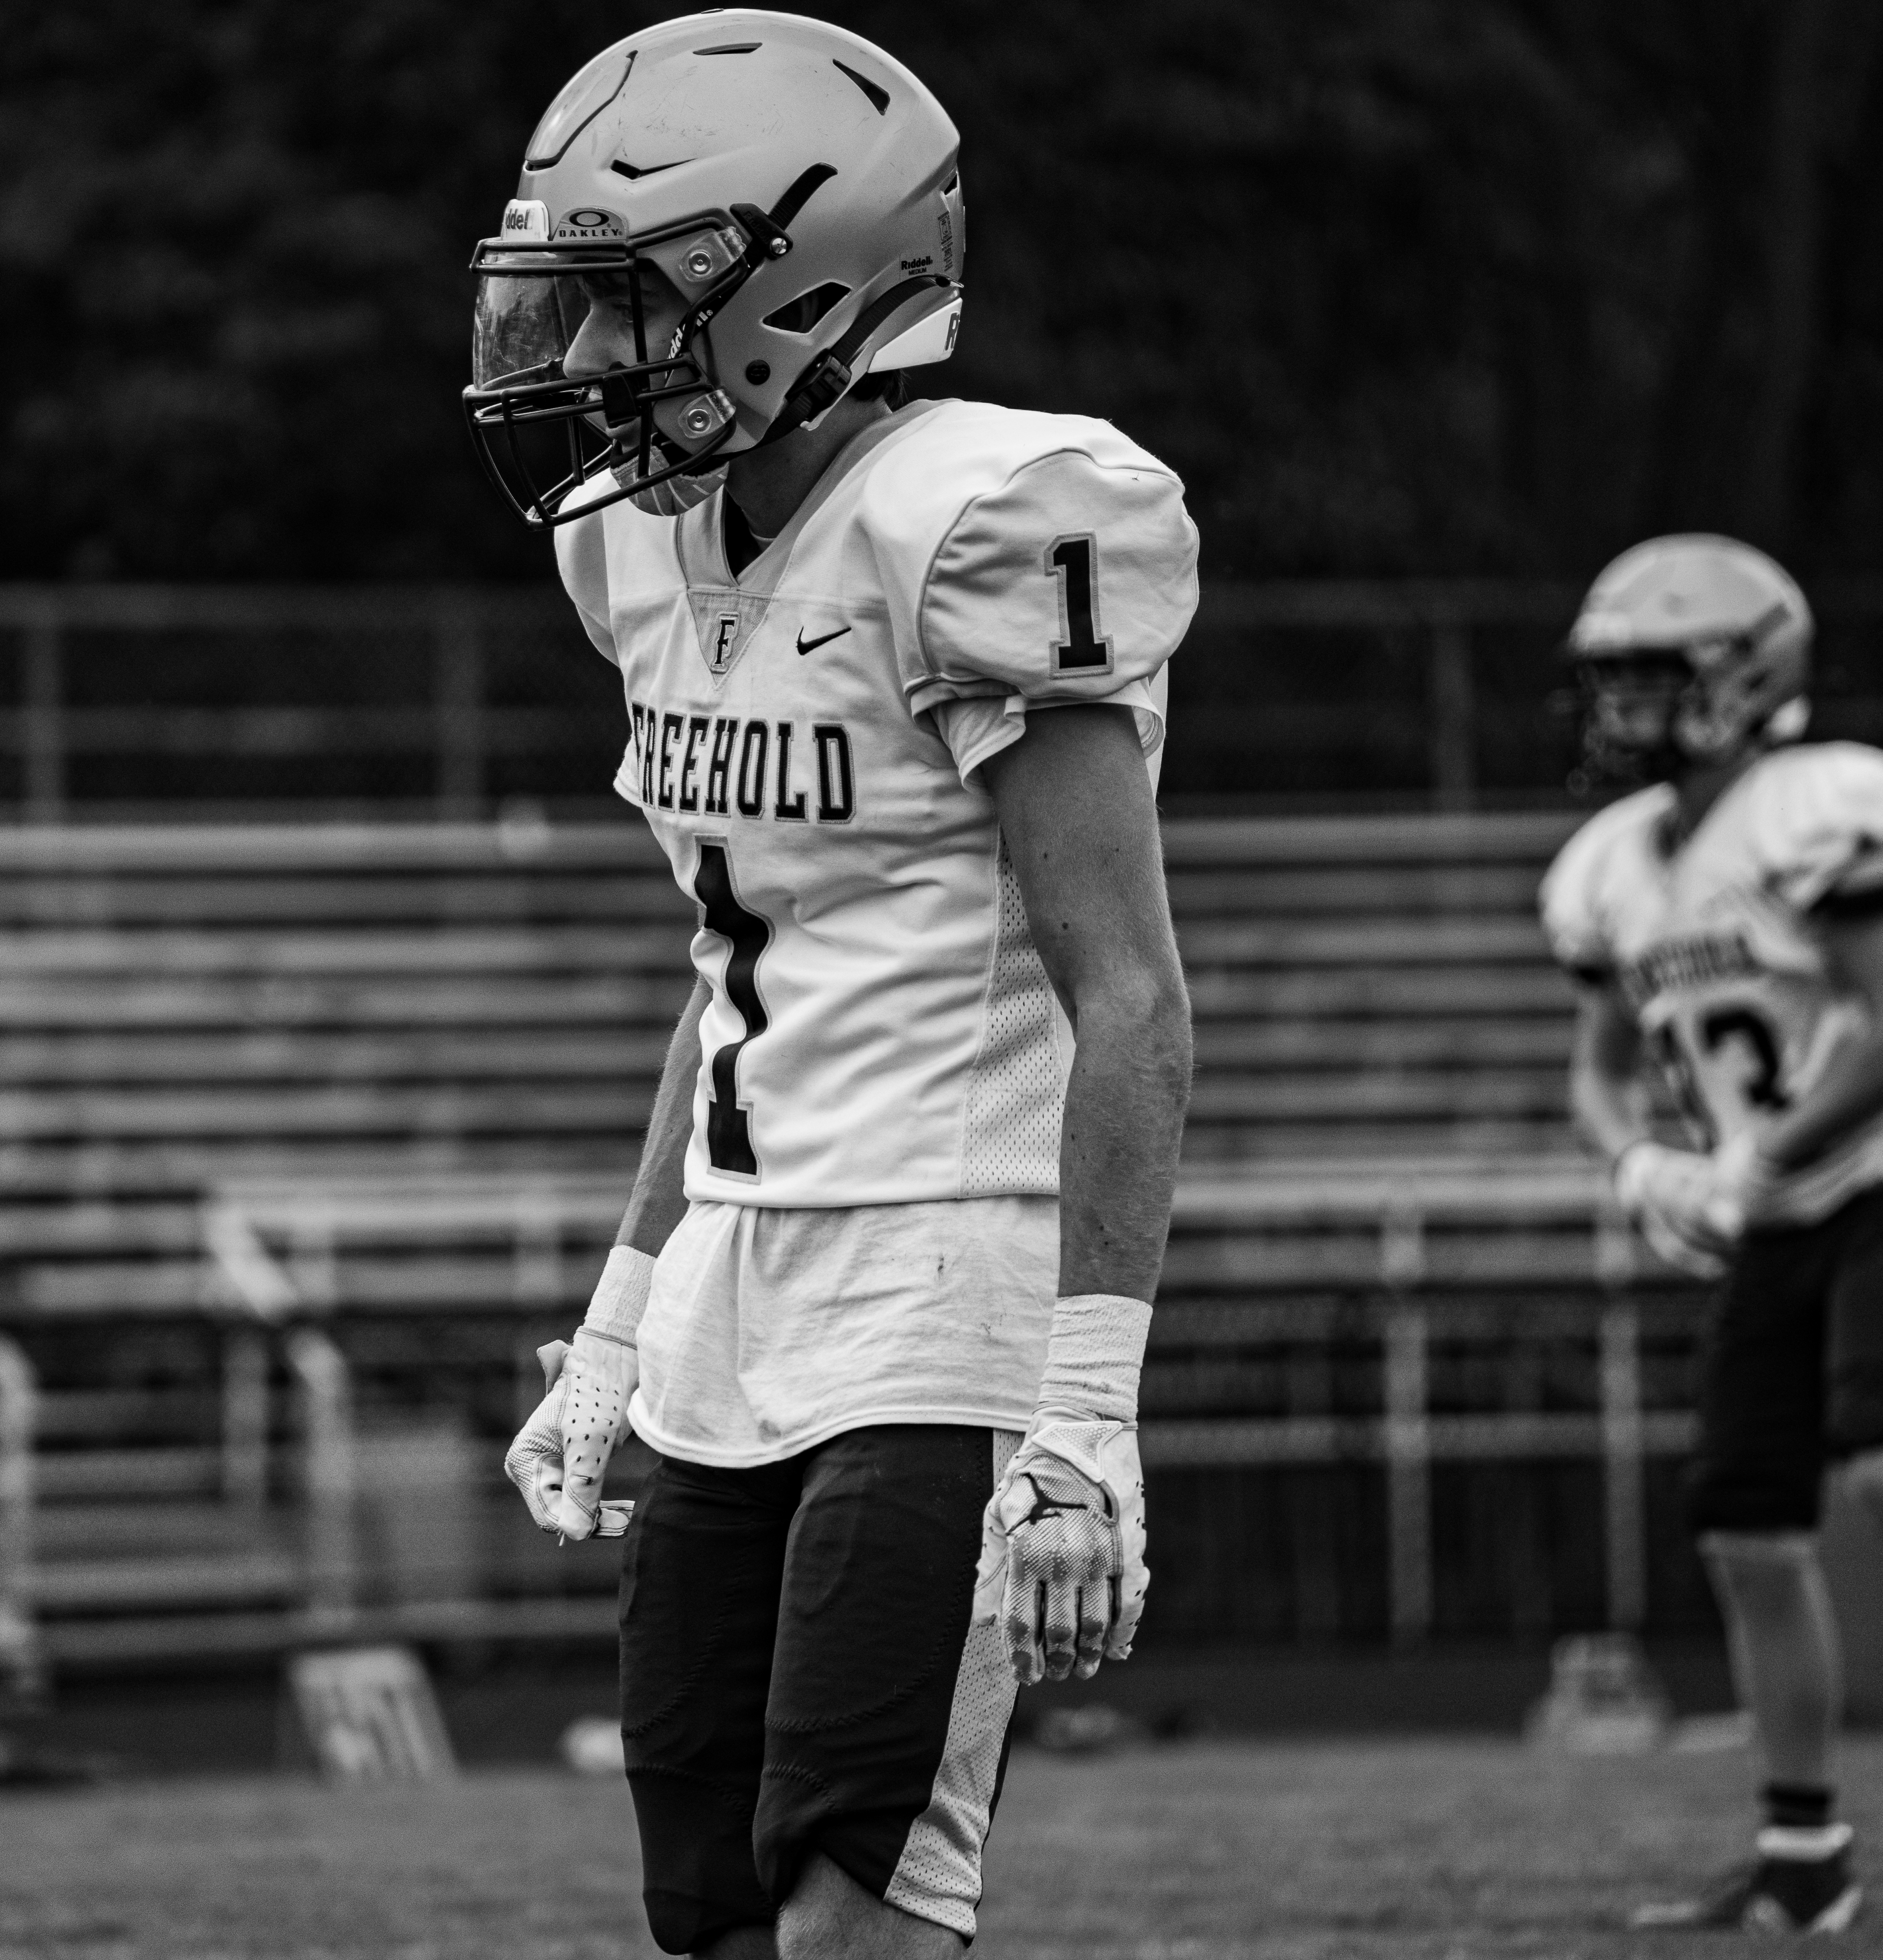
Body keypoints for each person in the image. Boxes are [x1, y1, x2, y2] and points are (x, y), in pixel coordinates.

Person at [476, 13, 1197, 1957]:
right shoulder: (642, 545)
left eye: (630, 306)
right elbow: (732, 969)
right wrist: (622, 1328)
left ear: (796, 290)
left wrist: (1085, 1420)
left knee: (849, 1904)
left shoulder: (988, 515)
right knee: (706, 1913)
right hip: (737, 1286)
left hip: (940, 1284)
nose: (578, 355)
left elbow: (1127, 996)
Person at [1540, 535, 1883, 1932]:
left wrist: (1757, 1154)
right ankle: (1805, 1855)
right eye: (1606, 683)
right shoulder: (1612, 866)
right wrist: (1641, 1174)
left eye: (1647, 678)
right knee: (1741, 1522)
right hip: (1768, 1215)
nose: (1616, 708)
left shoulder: (1821, 805)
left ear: (1739, 680)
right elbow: (1602, 1070)